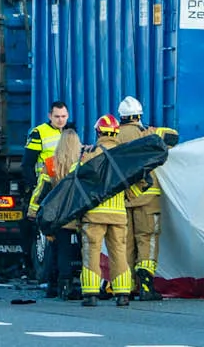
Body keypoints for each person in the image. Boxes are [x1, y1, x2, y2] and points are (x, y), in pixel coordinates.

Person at [111, 95, 179, 301]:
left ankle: (128, 285)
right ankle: (147, 285)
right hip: (147, 199)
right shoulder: (150, 133)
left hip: (121, 199)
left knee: (125, 243)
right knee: (147, 239)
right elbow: (173, 137)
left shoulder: (113, 137)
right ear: (138, 115)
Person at [78, 115, 132, 306]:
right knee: (119, 252)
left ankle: (91, 294)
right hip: (118, 214)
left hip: (94, 214)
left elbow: (75, 179)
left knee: (91, 252)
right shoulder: (124, 155)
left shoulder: (91, 153)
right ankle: (123, 294)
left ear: (98, 132)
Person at [32, 126, 83, 299]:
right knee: (84, 251)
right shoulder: (82, 163)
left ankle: (56, 286)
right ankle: (81, 284)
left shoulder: (51, 163)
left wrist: (33, 210)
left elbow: (41, 189)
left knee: (60, 250)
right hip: (79, 214)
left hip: (58, 216)